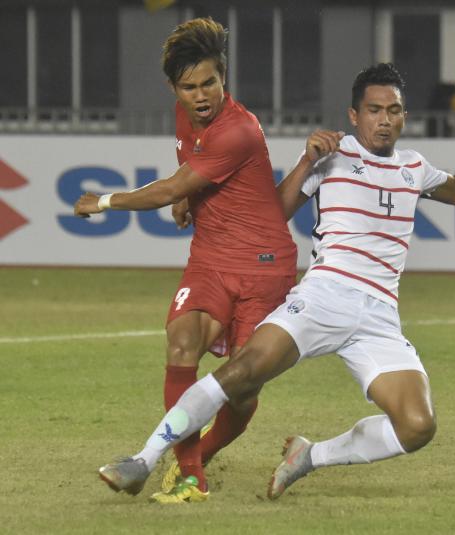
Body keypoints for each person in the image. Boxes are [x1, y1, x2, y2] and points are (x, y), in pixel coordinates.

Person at [96, 63, 455, 500]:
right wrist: (305, 162)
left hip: (379, 316)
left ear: (404, 117)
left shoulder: (414, 167)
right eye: (374, 110)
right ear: (354, 115)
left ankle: (310, 456)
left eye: (393, 111)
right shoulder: (333, 155)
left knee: (417, 425)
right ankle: (143, 460)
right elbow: (272, 216)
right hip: (323, 297)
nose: (384, 120)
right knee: (240, 374)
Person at [74, 18, 298, 503]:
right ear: (174, 89)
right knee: (181, 345)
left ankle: (204, 452)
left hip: (264, 266)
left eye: (209, 84)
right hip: (211, 259)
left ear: (224, 79)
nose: (201, 97)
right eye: (189, 87)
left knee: (241, 387)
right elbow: (188, 175)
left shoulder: (238, 129)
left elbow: (169, 187)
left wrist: (105, 201)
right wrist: (189, 198)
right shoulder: (185, 116)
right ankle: (191, 475)